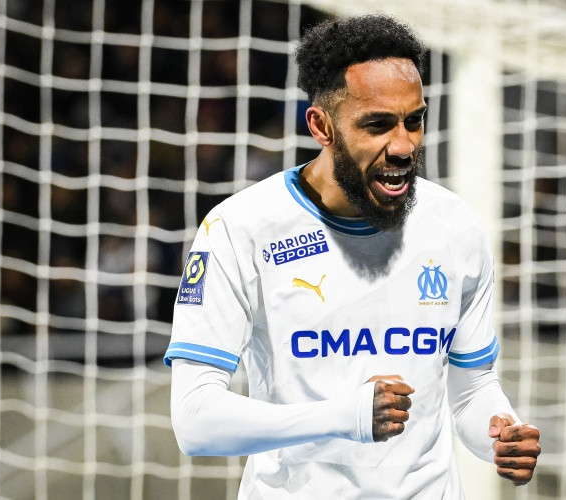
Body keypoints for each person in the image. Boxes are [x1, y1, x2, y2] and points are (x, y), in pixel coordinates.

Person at [165, 14, 540, 499]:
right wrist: (347, 416)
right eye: (378, 125)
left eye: (414, 121)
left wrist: (500, 433)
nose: (403, 146)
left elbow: (470, 391)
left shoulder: (454, 227)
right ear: (322, 126)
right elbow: (195, 420)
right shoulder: (240, 229)